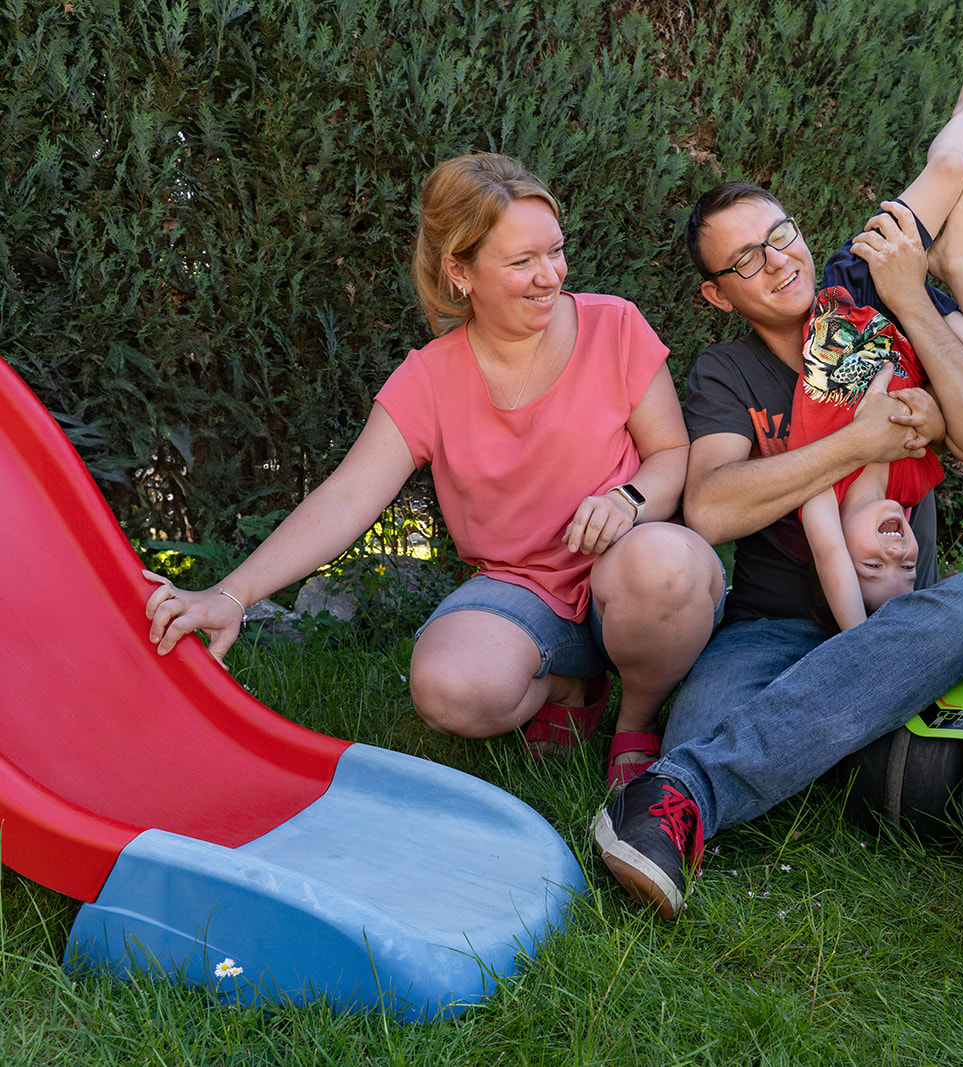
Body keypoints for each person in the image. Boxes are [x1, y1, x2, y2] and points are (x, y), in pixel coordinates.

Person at [591, 50, 963, 921]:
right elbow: (715, 507)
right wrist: (861, 442)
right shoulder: (724, 375)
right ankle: (802, 740)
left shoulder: (879, 301)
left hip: (899, 617)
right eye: (744, 262)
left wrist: (918, 295)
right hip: (770, 625)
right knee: (698, 727)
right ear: (718, 295)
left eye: (780, 236)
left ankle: (684, 792)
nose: (775, 263)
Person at [143, 153, 724, 788]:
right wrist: (232, 595)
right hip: (520, 588)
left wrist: (627, 500)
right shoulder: (428, 379)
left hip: (630, 560)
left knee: (668, 566)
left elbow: (672, 454)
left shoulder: (614, 325)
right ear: (460, 271)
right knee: (448, 691)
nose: (550, 276)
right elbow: (346, 499)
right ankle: (569, 687)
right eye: (521, 262)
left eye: (555, 251)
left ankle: (635, 722)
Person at [791, 46, 963, 629]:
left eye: (873, 568)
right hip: (913, 329)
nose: (899, 555)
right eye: (907, 571)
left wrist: (865, 642)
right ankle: (954, 261)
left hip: (860, 294)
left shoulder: (821, 488)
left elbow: (832, 560)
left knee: (952, 172)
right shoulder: (914, 475)